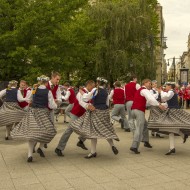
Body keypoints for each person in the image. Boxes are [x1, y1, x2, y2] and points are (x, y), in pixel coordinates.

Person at [11, 75, 57, 162]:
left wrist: (33, 102)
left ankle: (30, 155)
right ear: (47, 82)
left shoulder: (34, 89)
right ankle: (40, 147)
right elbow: (52, 105)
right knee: (48, 130)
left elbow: (29, 100)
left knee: (32, 133)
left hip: (32, 112)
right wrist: (56, 104)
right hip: (43, 113)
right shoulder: (48, 92)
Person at [70, 77, 119, 159]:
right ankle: (112, 145)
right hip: (104, 112)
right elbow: (107, 103)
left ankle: (93, 152)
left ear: (98, 83)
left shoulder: (95, 90)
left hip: (96, 112)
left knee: (93, 132)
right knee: (105, 129)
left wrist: (82, 93)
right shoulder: (106, 91)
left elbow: (86, 98)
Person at [55, 80, 96, 156]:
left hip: (83, 114)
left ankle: (81, 141)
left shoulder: (89, 93)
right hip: (76, 113)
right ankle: (59, 148)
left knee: (88, 128)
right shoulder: (81, 92)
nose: (93, 88)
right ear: (89, 85)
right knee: (69, 130)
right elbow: (81, 102)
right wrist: (88, 106)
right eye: (93, 86)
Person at [148, 82, 189, 155]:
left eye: (166, 86)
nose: (165, 87)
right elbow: (167, 102)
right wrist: (161, 105)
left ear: (170, 86)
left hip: (174, 112)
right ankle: (173, 146)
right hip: (172, 112)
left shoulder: (171, 91)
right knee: (170, 128)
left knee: (170, 128)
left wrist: (161, 92)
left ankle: (174, 145)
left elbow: (165, 97)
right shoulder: (171, 92)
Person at [130, 79, 165, 154]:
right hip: (139, 111)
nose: (150, 85)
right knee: (139, 128)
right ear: (145, 83)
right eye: (149, 83)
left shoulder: (140, 90)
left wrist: (156, 103)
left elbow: (148, 102)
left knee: (145, 125)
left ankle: (146, 141)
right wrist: (159, 105)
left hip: (134, 110)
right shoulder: (144, 90)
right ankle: (134, 146)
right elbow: (150, 99)